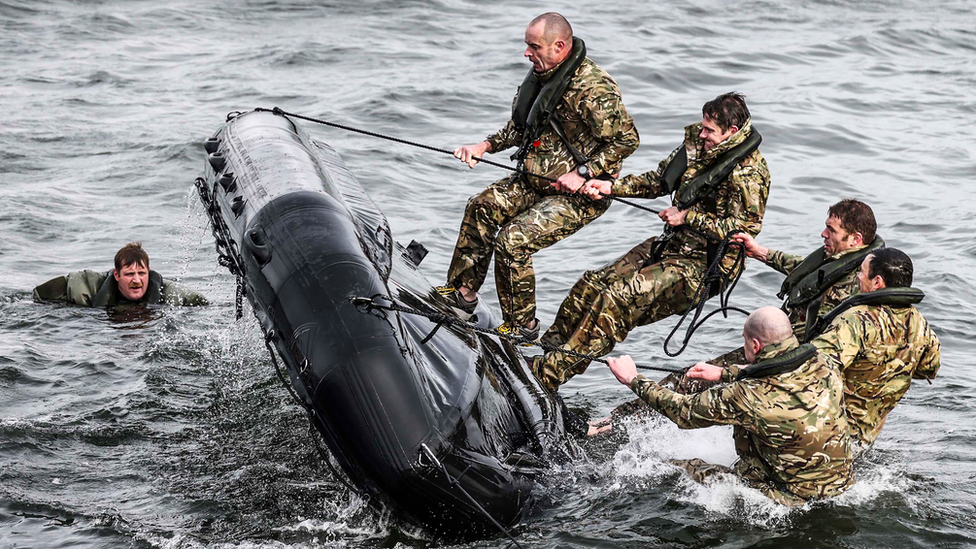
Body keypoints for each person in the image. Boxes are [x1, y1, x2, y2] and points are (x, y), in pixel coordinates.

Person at [530, 92, 770, 392]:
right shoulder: (699, 143)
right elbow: (659, 179)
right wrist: (610, 187)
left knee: (616, 301)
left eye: (710, 130)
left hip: (702, 268)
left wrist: (687, 218)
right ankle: (546, 356)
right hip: (669, 245)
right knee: (591, 285)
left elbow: (743, 232)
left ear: (731, 133)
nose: (703, 133)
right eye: (704, 126)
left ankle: (547, 377)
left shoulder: (751, 173)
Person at [436, 12, 639, 339]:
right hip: (535, 180)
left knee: (512, 241)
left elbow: (626, 140)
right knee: (481, 206)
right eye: (526, 46)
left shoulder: (592, 87)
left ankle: (522, 326)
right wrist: (484, 146)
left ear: (559, 46)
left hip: (577, 196)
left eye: (534, 47)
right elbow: (520, 128)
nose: (527, 53)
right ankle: (463, 295)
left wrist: (583, 172)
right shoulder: (541, 77)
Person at [607, 307, 854, 506]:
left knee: (669, 467)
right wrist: (727, 373)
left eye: (746, 341)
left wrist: (632, 379)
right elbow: (779, 371)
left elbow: (683, 412)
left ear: (755, 346)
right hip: (841, 487)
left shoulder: (746, 396)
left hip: (788, 500)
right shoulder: (824, 362)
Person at [661, 198, 883, 393]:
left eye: (831, 230)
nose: (823, 234)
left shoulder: (859, 282)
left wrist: (739, 371)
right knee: (696, 380)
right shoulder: (841, 260)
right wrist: (759, 251)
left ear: (855, 239)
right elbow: (804, 268)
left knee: (692, 380)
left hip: (787, 360)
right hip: (780, 349)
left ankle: (638, 419)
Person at [806, 247, 941, 449]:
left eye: (861, 272)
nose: (858, 277)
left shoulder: (857, 319)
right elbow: (929, 369)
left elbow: (814, 367)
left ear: (877, 282)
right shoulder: (921, 324)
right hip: (867, 435)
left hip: (828, 430)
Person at [33, 242, 208, 307]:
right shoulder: (89, 287)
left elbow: (203, 305)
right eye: (129, 274)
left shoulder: (169, 295)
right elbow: (40, 296)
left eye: (141, 273)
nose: (137, 280)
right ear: (116, 275)